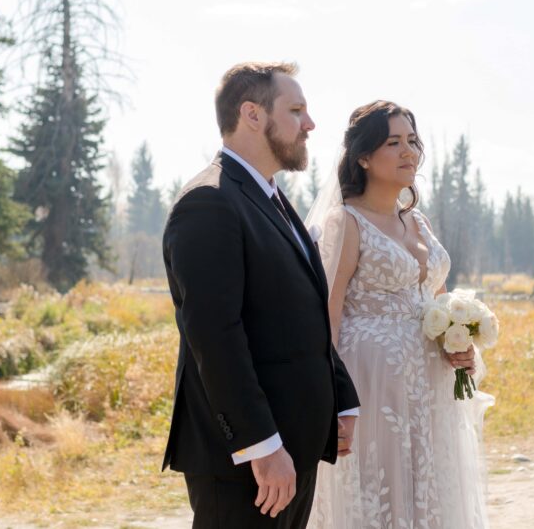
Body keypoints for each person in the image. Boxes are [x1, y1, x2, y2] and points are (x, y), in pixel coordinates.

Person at [161, 62, 360, 529]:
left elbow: (304, 313)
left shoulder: (272, 198)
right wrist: (261, 445)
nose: (309, 124)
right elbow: (215, 337)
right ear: (252, 114)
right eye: (296, 110)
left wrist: (341, 397)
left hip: (293, 448)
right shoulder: (208, 203)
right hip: (247, 462)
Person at [308, 101, 491, 528]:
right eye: (394, 142)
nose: (409, 151)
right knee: (381, 494)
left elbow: (438, 302)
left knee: (429, 495)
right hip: (371, 384)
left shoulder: (419, 222)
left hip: (430, 388)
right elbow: (328, 317)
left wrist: (458, 346)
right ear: (364, 157)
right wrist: (334, 399)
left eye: (412, 140)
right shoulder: (346, 222)